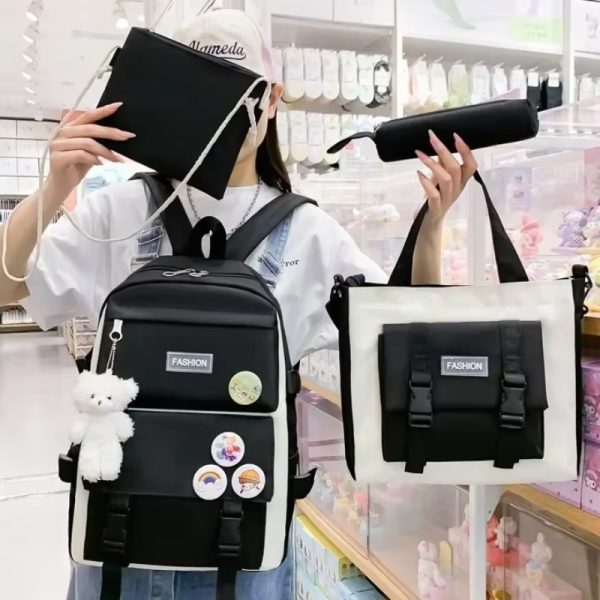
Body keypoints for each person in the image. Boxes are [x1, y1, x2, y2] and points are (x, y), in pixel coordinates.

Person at [0, 9, 478, 600]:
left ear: (271, 100)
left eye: (238, 91)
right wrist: (55, 186)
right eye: (201, 88)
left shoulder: (310, 233)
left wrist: (431, 229)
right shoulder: (120, 211)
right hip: (123, 538)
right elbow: (6, 287)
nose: (220, 111)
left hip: (242, 538)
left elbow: (404, 340)